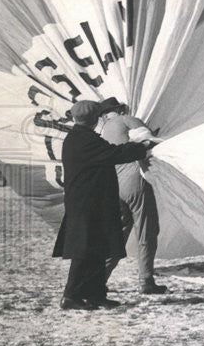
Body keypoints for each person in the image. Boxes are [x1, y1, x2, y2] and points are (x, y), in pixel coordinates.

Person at [53, 99, 154, 310]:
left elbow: (109, 152)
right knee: (84, 252)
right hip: (88, 203)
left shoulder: (76, 138)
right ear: (94, 119)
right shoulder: (86, 140)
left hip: (87, 202)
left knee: (97, 250)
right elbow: (113, 154)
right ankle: (71, 296)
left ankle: (96, 294)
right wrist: (142, 148)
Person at [98, 98, 165, 294]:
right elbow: (148, 142)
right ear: (119, 110)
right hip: (134, 180)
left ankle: (98, 278)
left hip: (111, 184)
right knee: (147, 230)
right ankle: (146, 281)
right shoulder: (128, 120)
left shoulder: (101, 132)